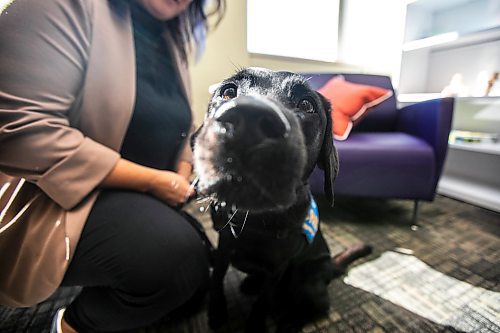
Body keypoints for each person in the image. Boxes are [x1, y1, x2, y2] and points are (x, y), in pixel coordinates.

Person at [0, 0, 224, 332]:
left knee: (197, 277)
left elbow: (182, 121)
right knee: (176, 262)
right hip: (48, 201)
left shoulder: (168, 34)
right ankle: (68, 325)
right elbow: (23, 131)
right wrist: (151, 182)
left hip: (131, 194)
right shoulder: (62, 6)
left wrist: (182, 167)